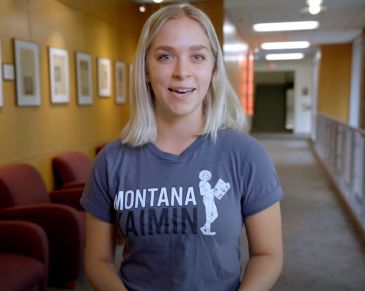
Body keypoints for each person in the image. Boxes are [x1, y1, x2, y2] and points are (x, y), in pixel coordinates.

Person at [81, 3, 284, 291]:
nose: (182, 72)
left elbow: (268, 254)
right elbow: (98, 261)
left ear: (213, 69)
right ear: (146, 70)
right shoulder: (111, 161)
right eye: (165, 56)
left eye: (197, 57)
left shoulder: (247, 155)